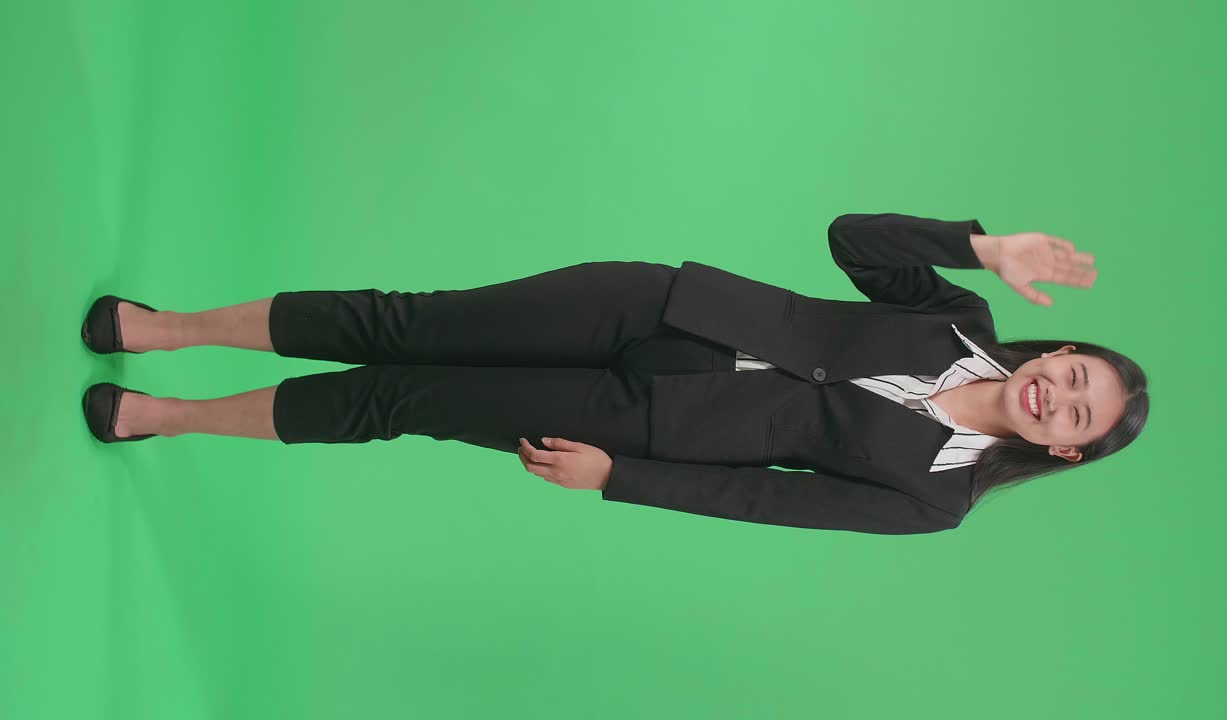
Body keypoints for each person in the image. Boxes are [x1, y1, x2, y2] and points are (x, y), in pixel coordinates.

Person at [80, 212, 1149, 534]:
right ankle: (166, 329)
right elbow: (852, 241)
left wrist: (617, 479)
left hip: (645, 420)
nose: (1058, 394)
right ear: (1056, 352)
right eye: (1074, 373)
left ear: (1065, 450)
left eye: (1078, 415)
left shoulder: (935, 500)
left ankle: (164, 414)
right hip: (663, 307)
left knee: (403, 397)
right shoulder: (958, 316)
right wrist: (979, 248)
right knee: (410, 320)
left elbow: (765, 502)